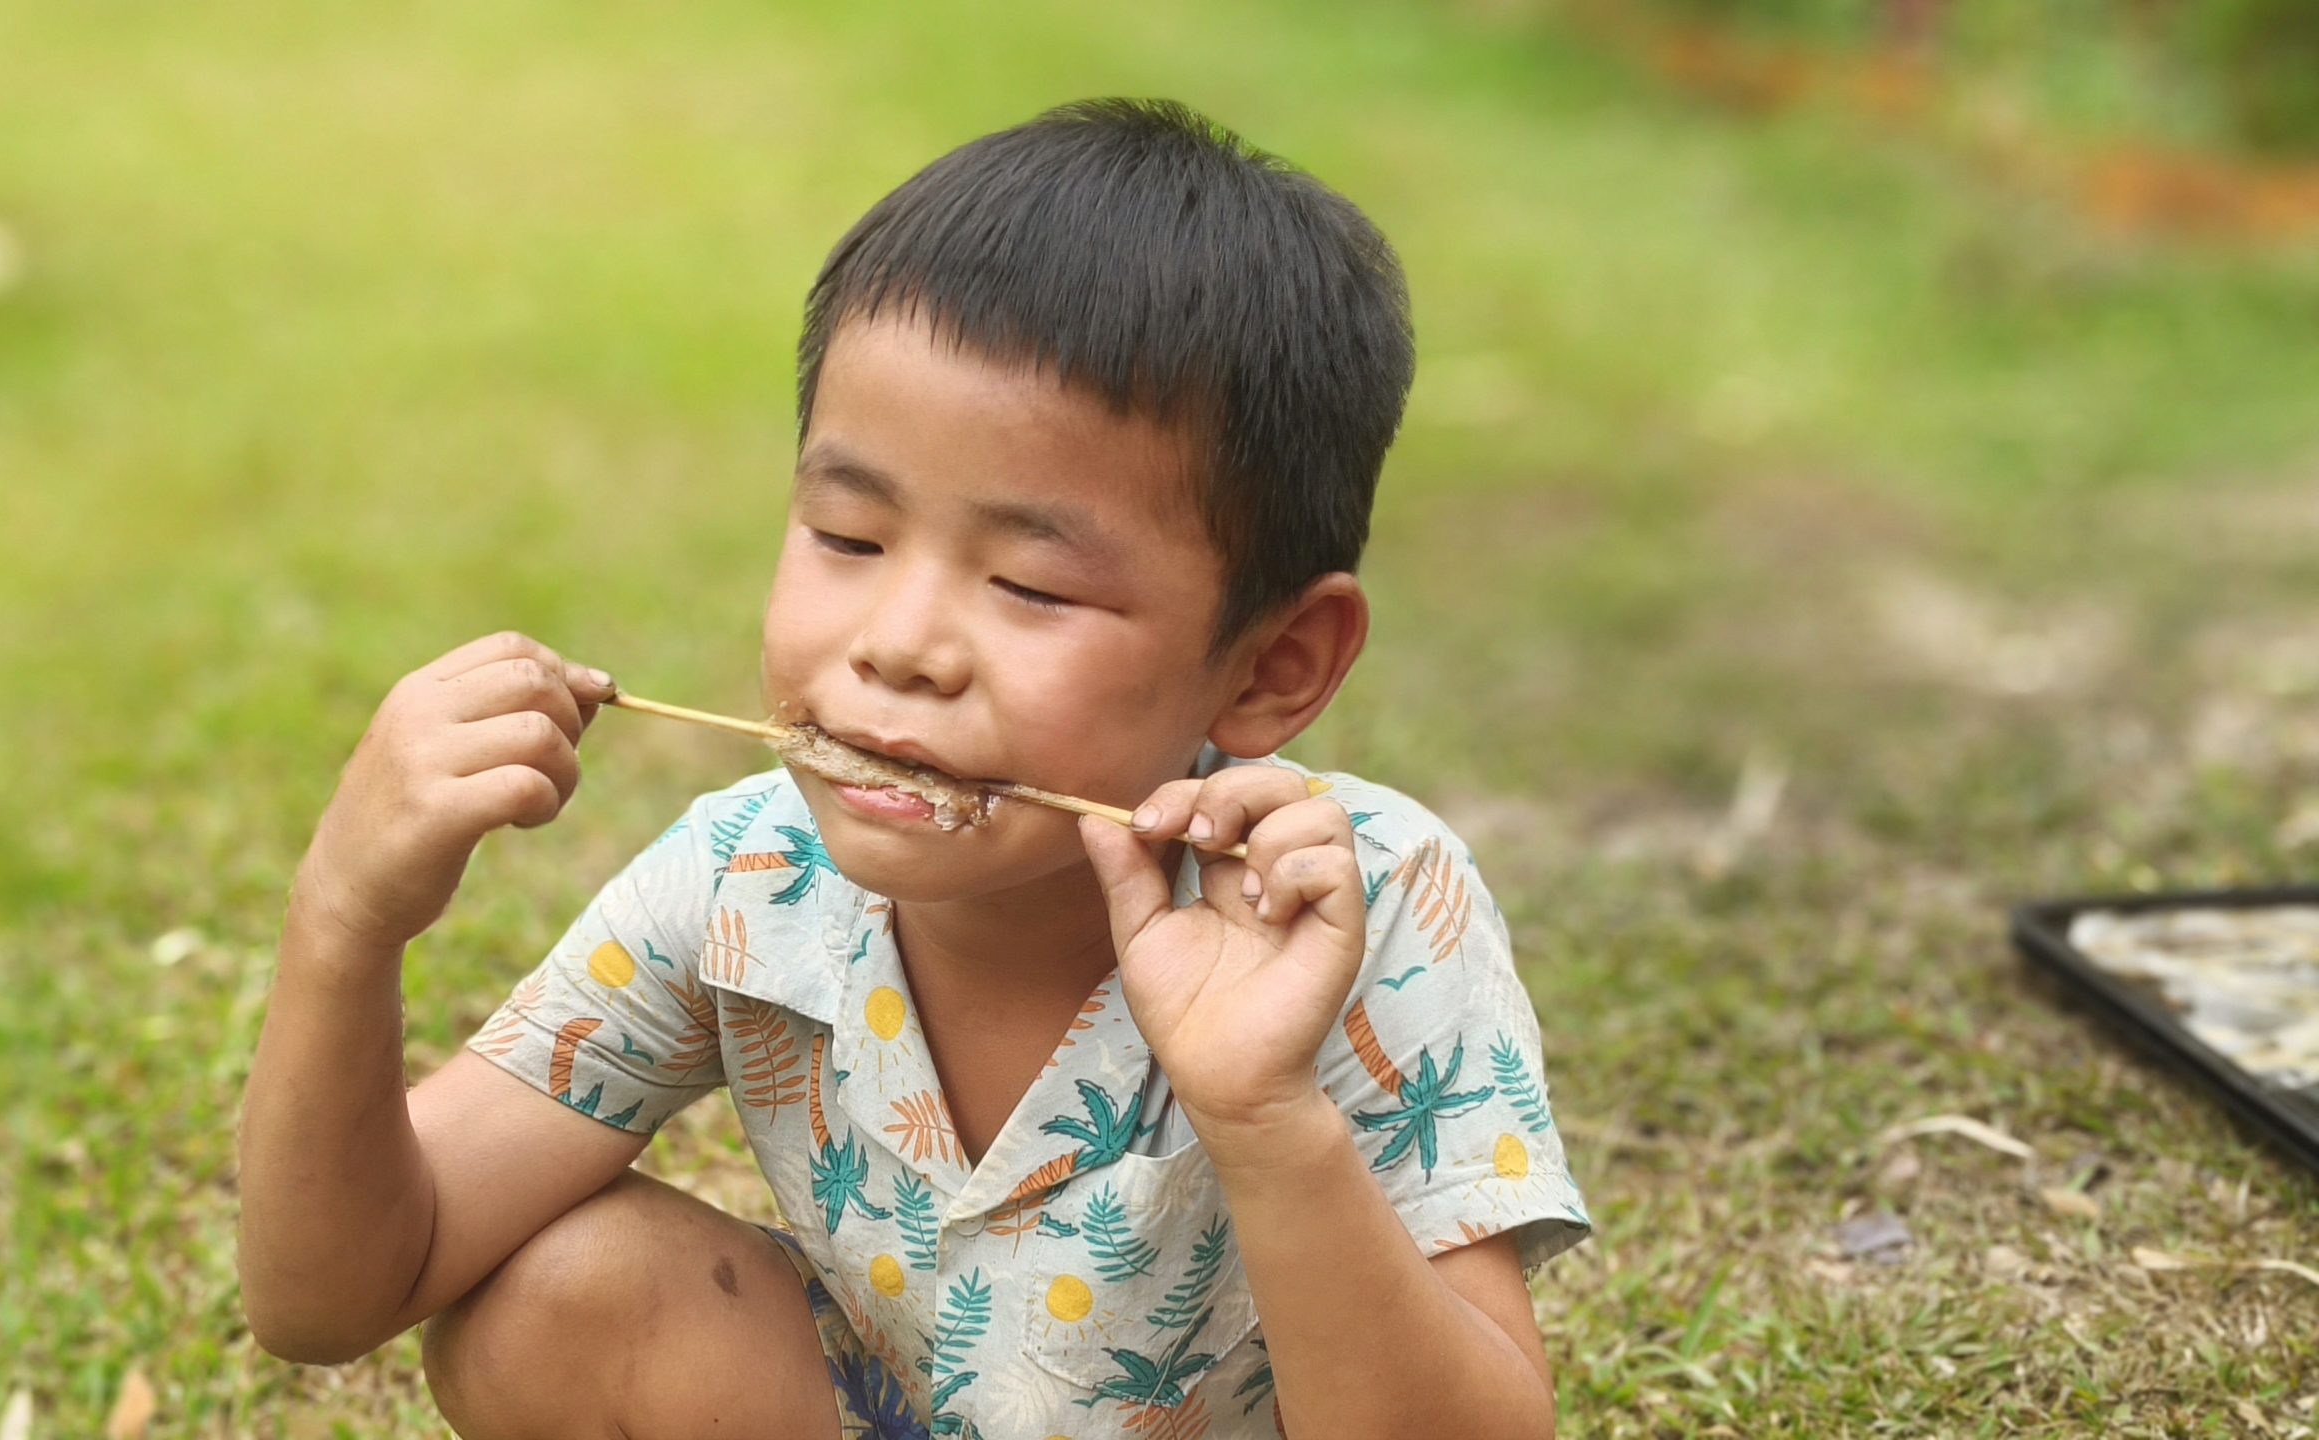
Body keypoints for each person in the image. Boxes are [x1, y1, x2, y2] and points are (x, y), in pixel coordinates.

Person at [236, 97, 1590, 1440]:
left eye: (1029, 584)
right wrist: (346, 918)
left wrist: (1268, 1114)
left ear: (1274, 665)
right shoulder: (747, 881)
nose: (900, 646)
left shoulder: (1358, 911)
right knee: (560, 1304)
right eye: (849, 535)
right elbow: (340, 1294)